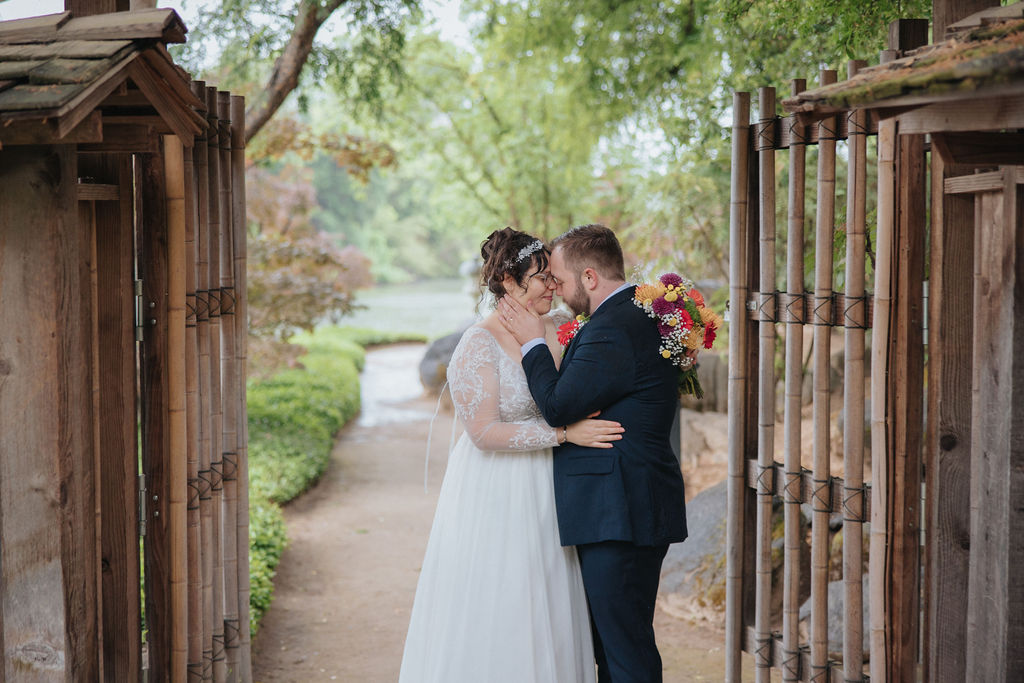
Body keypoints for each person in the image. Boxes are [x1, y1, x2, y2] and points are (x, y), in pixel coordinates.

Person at [399, 227, 625, 683]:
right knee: (503, 598)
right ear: (508, 280)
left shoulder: (559, 329)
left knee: (552, 600)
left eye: (552, 277)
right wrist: (563, 434)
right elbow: (483, 432)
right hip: (498, 492)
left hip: (549, 486)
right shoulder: (478, 344)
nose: (552, 286)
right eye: (541, 277)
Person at [499, 224, 688, 683]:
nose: (555, 290)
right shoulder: (641, 316)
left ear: (588, 277)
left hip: (618, 511)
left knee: (624, 652)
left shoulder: (611, 330)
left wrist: (531, 343)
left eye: (559, 279)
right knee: (615, 644)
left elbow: (558, 406)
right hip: (628, 506)